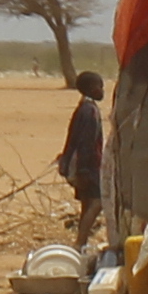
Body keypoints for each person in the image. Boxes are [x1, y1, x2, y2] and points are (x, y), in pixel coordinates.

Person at [59, 68, 109, 245]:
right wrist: (84, 170)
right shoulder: (90, 112)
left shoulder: (84, 108)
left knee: (87, 204)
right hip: (88, 166)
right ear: (91, 88)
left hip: (83, 165)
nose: (102, 91)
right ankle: (80, 242)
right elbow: (86, 142)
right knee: (97, 202)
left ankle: (81, 243)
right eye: (99, 87)